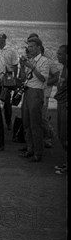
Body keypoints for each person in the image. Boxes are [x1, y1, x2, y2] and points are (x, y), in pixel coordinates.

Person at [18, 37, 50, 162]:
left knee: (35, 124)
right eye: (28, 47)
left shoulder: (45, 61)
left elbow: (43, 79)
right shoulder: (29, 60)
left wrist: (31, 67)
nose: (29, 49)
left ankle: (38, 152)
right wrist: (22, 66)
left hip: (36, 92)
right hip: (27, 91)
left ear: (38, 47)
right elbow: (22, 78)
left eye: (31, 46)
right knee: (26, 123)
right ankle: (30, 149)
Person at [0, 33, 19, 130]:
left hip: (7, 76)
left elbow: (15, 65)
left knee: (6, 100)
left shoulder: (11, 51)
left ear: (4, 40)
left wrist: (14, 78)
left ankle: (8, 122)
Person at [53, 45, 67, 174]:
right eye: (58, 53)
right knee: (61, 135)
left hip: (65, 104)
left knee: (65, 135)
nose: (58, 55)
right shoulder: (64, 68)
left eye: (61, 54)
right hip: (61, 103)